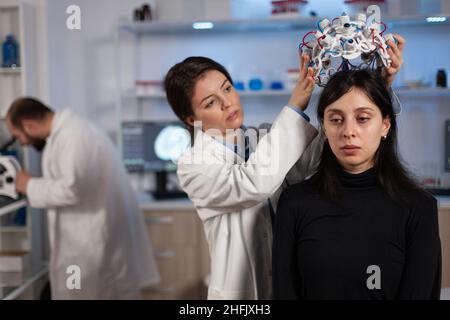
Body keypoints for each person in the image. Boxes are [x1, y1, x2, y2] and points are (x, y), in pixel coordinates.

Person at [165, 36, 404, 300]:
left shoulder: (266, 138)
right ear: (191, 119)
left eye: (227, 88)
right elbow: (253, 183)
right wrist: (296, 106)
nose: (227, 103)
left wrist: (377, 87)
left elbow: (318, 155)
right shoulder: (193, 164)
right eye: (210, 102)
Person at [272, 69, 441, 300]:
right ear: (324, 129)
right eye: (336, 120)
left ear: (385, 125)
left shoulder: (419, 208)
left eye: (363, 118)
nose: (348, 132)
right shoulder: (295, 203)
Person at [5, 97, 160, 299]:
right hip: (82, 247)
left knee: (82, 292)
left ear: (29, 126)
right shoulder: (67, 134)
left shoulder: (74, 135)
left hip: (89, 248)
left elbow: (72, 189)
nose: (22, 144)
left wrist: (28, 185)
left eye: (18, 136)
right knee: (77, 291)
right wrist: (33, 185)